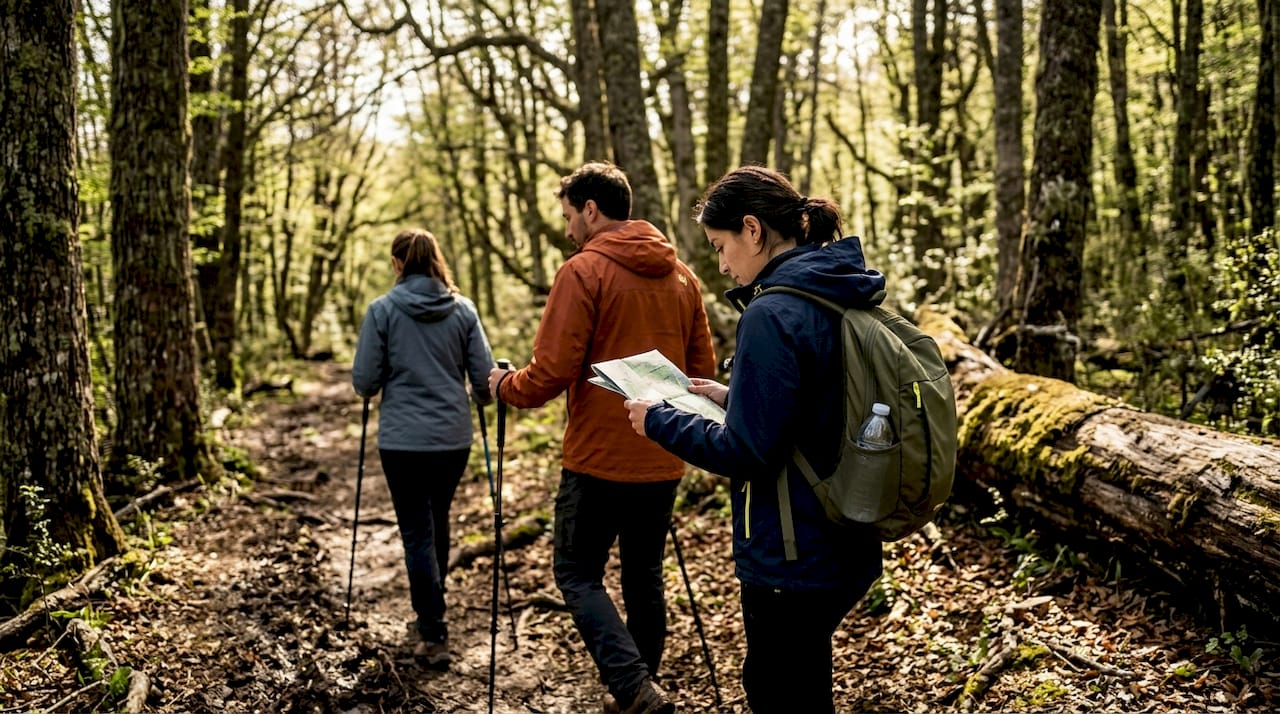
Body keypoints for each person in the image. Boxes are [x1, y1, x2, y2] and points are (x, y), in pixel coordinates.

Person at [623, 166, 885, 713]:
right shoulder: (835, 288)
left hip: (791, 552)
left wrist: (658, 421)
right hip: (847, 533)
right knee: (805, 685)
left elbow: (748, 452)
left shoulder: (771, 311)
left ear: (753, 230)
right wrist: (733, 393)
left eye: (721, 246)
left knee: (777, 693)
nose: (720, 264)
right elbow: (815, 402)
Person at [487, 162, 716, 714]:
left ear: (591, 209)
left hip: (597, 457)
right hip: (664, 450)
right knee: (644, 577)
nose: (567, 230)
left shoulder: (583, 272)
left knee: (575, 571)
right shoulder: (683, 276)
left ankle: (634, 688)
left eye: (569, 216)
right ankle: (643, 690)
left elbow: (550, 372)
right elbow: (703, 372)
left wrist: (503, 386)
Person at [351, 228, 494, 669]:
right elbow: (485, 383)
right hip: (453, 439)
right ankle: (434, 608)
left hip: (402, 441)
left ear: (398, 264)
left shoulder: (382, 311)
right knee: (438, 521)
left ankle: (432, 630)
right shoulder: (463, 310)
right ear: (436, 260)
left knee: (417, 532)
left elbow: (364, 382)